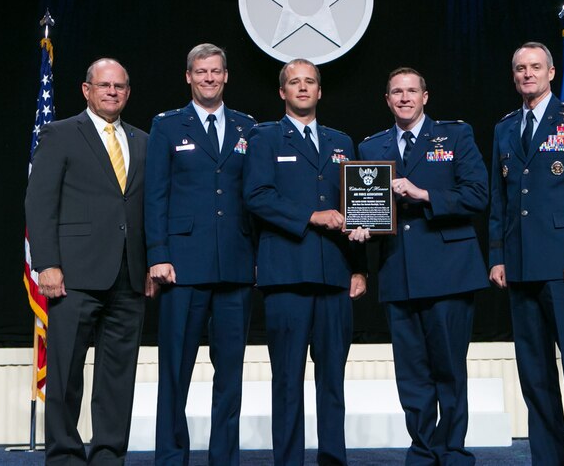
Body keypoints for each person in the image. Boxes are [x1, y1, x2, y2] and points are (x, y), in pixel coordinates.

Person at [354, 66, 490, 465]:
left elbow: (478, 194)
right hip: (399, 272)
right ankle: (423, 449)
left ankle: (452, 450)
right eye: (396, 92)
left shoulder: (455, 135)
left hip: (449, 271)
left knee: (448, 369)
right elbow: (372, 209)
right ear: (387, 99)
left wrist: (424, 193)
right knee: (412, 375)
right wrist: (363, 228)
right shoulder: (372, 147)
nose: (404, 98)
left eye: (412, 91)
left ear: (425, 96)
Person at [25, 58, 154, 466]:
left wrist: (152, 262)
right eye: (104, 85)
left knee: (118, 377)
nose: (112, 92)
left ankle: (107, 456)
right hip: (73, 275)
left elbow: (149, 208)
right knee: (65, 375)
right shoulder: (60, 134)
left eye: (119, 86)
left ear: (128, 92)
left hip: (129, 274)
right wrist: (46, 263)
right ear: (87, 90)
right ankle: (64, 455)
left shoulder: (144, 141)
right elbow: (40, 202)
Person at [487, 42, 564, 466]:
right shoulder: (504, 128)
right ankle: (548, 459)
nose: (527, 74)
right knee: (535, 375)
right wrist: (498, 256)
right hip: (520, 267)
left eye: (535, 67)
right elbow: (499, 203)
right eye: (520, 68)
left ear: (552, 72)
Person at [243, 58, 367, 466]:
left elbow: (358, 208)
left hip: (334, 275)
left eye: (309, 82)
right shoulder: (263, 137)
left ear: (319, 91)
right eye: (294, 82)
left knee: (333, 381)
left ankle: (333, 459)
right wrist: (311, 217)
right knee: (288, 381)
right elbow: (257, 195)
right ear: (282, 92)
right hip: (286, 275)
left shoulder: (342, 142)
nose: (302, 88)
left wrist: (359, 266)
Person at [145, 44, 257, 465]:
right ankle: (172, 458)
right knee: (175, 372)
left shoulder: (249, 127)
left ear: (226, 76)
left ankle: (223, 458)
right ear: (188, 77)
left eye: (215, 71)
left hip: (235, 264)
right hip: (182, 267)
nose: (209, 78)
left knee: (230, 375)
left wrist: (258, 255)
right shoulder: (168, 126)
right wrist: (158, 254)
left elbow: (256, 197)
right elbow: (155, 196)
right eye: (200, 71)